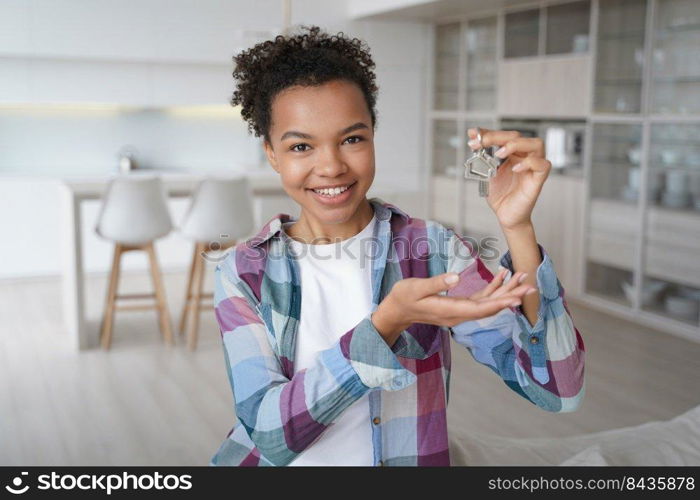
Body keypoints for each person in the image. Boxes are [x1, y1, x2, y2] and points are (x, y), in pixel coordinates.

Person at [210, 25, 585, 467]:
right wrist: (386, 324)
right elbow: (270, 435)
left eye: (352, 139)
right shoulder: (244, 270)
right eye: (301, 146)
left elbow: (557, 390)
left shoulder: (433, 249)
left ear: (372, 135)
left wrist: (518, 227)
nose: (330, 166)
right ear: (272, 153)